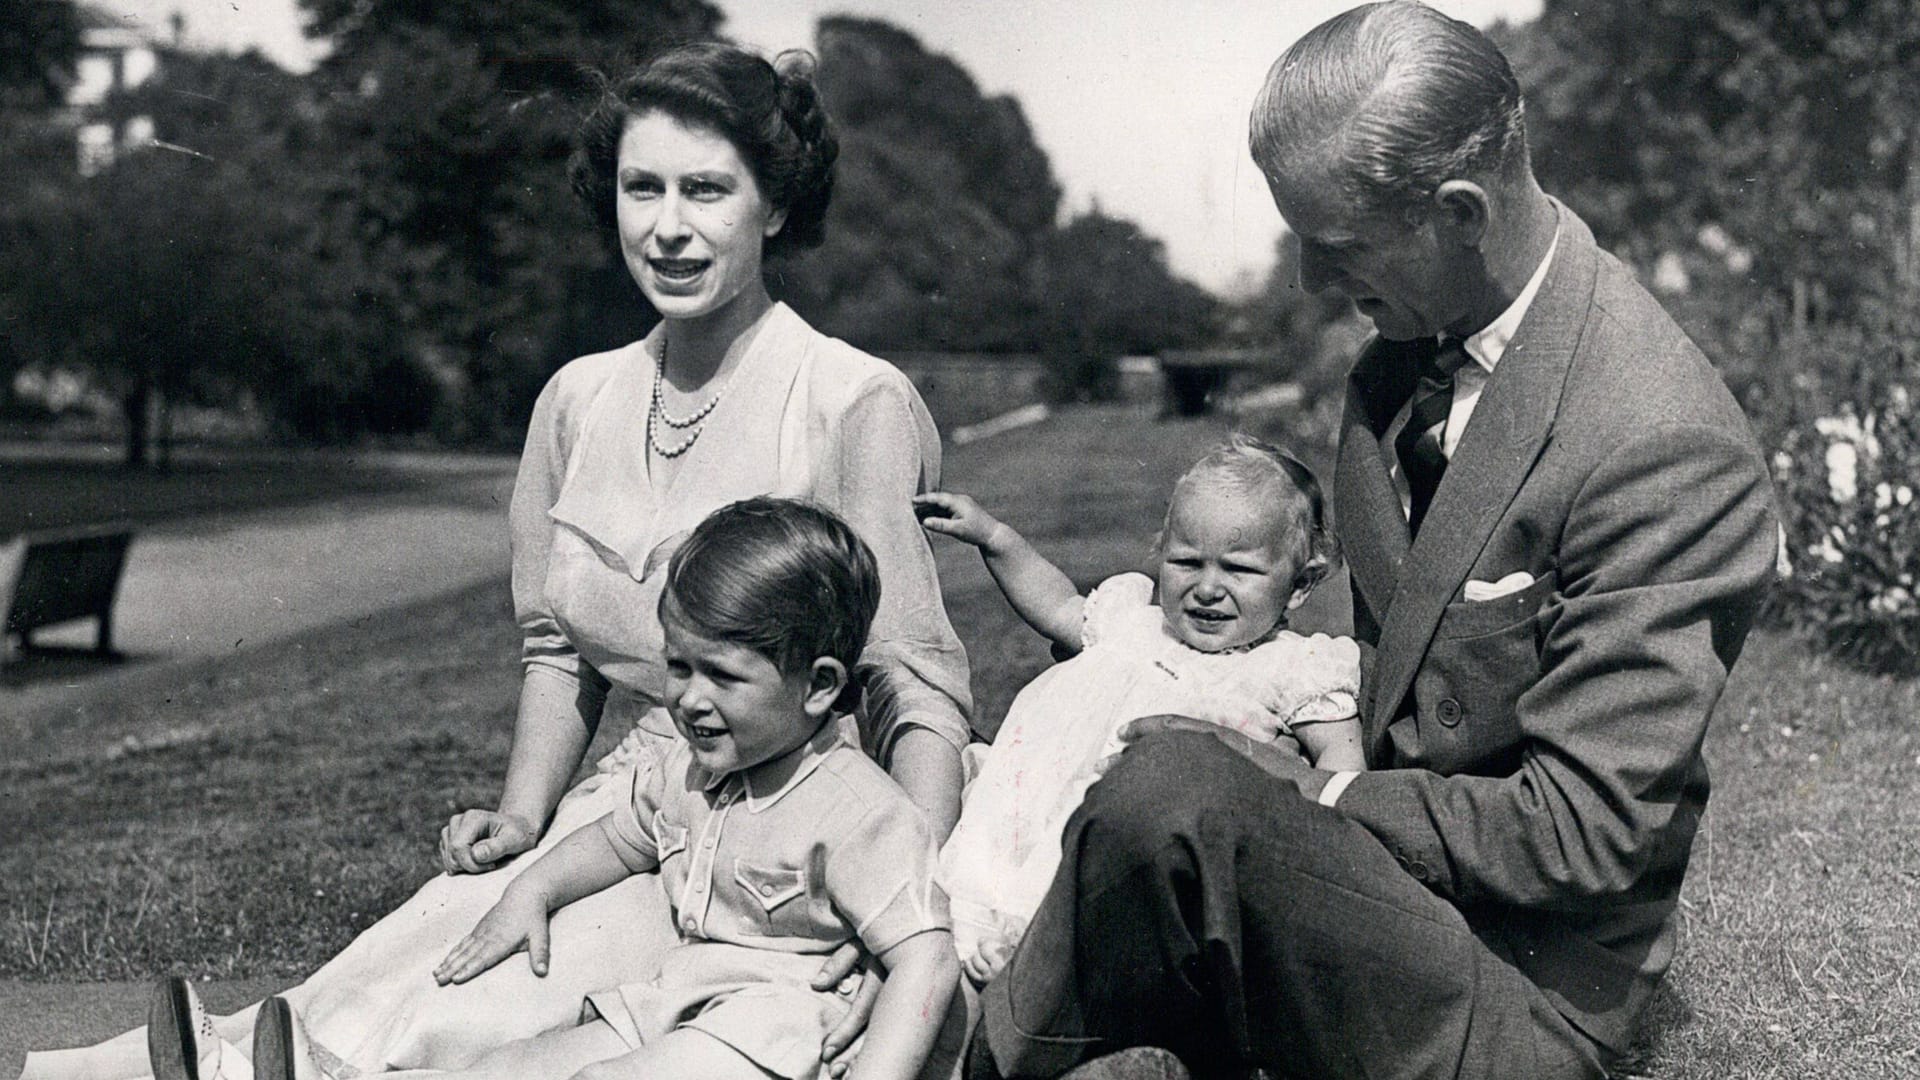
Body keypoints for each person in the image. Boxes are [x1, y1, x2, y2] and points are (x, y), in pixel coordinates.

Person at [24, 41, 971, 1080]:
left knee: (474, 1008)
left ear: (774, 208)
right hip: (626, 805)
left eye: (706, 190)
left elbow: (911, 684)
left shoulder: (850, 399)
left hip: (780, 837)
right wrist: (522, 817)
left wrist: (893, 925)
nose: (667, 226)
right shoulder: (579, 400)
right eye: (640, 188)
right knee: (421, 946)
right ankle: (186, 1065)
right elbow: (556, 647)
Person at [970, 4, 1779, 1079]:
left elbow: (1585, 833)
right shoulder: (1403, 367)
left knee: (1174, 796)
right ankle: (965, 1030)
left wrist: (1312, 791)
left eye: (1332, 244)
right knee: (1150, 781)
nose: (1307, 280)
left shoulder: (1661, 442)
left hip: (1521, 983)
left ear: (1457, 212)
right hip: (1381, 887)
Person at [248, 498, 961, 1080]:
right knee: (512, 1068)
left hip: (778, 1032)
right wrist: (534, 891)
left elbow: (925, 957)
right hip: (676, 999)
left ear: (820, 686)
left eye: (724, 676)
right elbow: (621, 836)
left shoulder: (856, 810)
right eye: (679, 667)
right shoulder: (695, 769)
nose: (690, 699)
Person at [916, 436, 1363, 984]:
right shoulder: (1135, 622)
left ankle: (1037, 960)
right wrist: (994, 537)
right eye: (1185, 562)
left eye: (1238, 570)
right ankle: (969, 939)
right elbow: (1057, 605)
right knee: (982, 870)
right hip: (1037, 805)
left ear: (1300, 585)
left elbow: (1344, 777)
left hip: (1139, 842)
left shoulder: (1297, 669)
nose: (1207, 588)